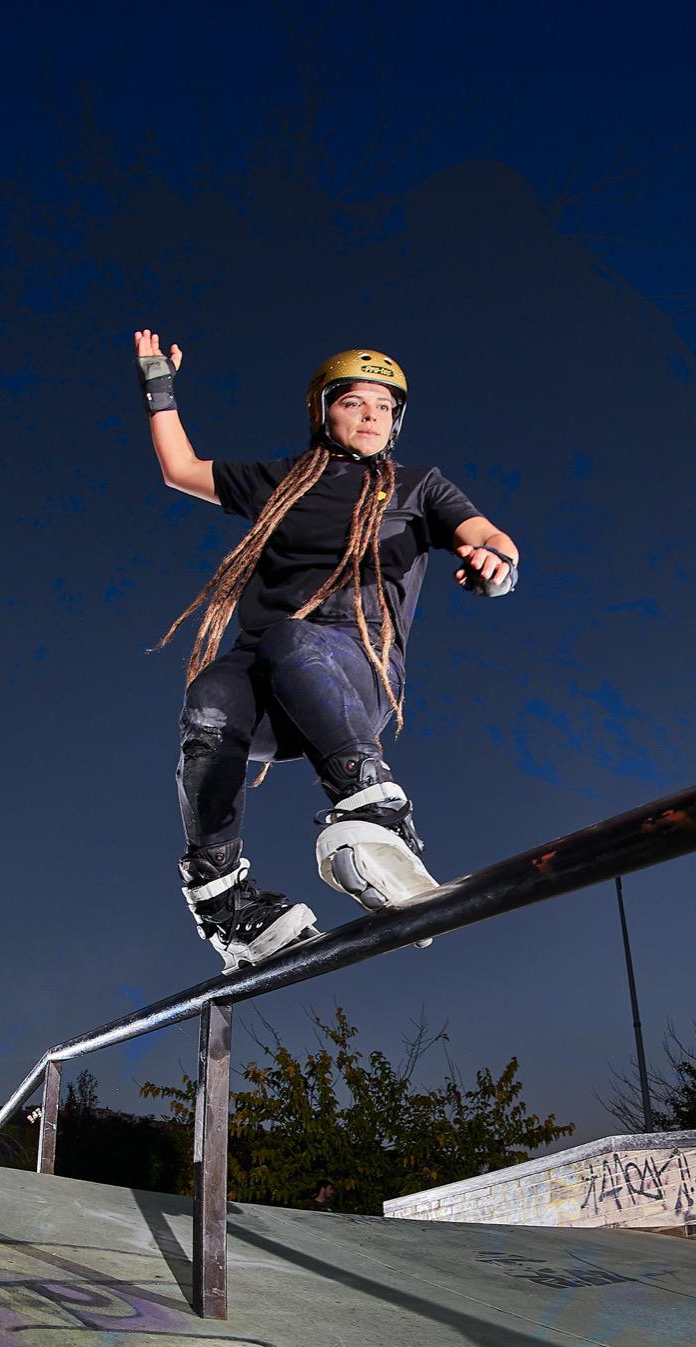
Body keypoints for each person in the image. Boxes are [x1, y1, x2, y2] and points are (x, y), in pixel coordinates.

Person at [134, 334, 520, 970]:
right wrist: (158, 387)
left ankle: (376, 812)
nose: (372, 415)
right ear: (324, 412)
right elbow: (180, 470)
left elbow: (489, 536)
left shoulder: (419, 488)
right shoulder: (281, 480)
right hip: (267, 672)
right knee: (207, 702)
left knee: (293, 636)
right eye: (355, 402)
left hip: (353, 668)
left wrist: (492, 564)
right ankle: (227, 901)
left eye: (385, 407)